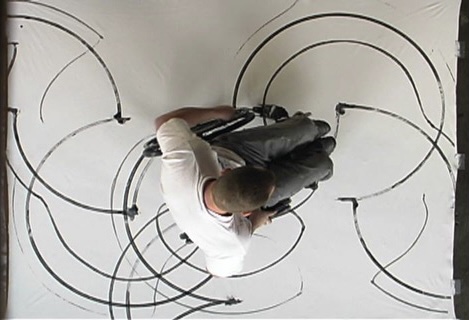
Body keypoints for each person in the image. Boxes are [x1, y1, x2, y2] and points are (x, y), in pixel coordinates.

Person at [155, 105, 335, 277]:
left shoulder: (181, 164)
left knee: (308, 128)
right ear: (246, 212)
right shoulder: (233, 243)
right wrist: (255, 223)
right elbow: (217, 272)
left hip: (234, 151)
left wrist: (216, 112)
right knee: (323, 164)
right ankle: (315, 154)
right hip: (245, 184)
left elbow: (164, 122)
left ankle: (308, 137)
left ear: (225, 170)